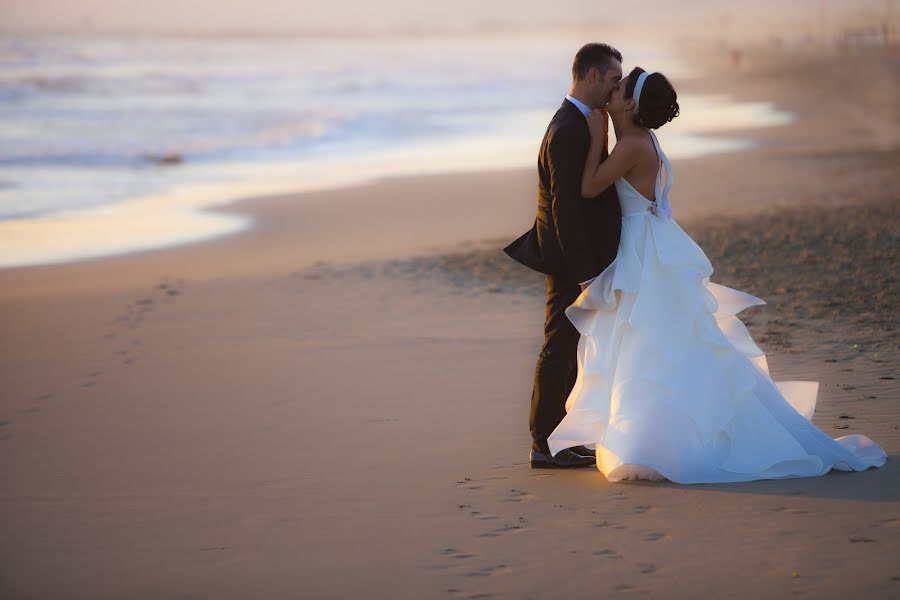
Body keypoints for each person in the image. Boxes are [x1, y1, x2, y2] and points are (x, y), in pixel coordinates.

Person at [545, 66, 888, 483]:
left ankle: (656, 441)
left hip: (643, 250)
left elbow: (589, 187)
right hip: (646, 245)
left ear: (630, 103)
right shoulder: (635, 138)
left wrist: (596, 134)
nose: (610, 93)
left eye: (616, 89)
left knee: (652, 340)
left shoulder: (632, 143)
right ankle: (646, 434)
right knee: (654, 338)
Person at [503, 43, 623, 468]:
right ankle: (544, 444)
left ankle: (559, 438)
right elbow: (564, 208)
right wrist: (585, 273)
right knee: (559, 344)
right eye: (612, 79)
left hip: (575, 256)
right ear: (591, 76)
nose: (616, 87)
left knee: (568, 345)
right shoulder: (569, 128)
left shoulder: (579, 122)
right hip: (569, 259)